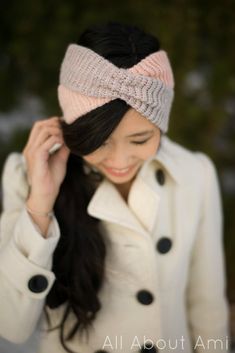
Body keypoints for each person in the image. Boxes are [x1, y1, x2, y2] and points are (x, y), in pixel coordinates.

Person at [0, 22, 230, 353]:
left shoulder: (195, 174)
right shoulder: (26, 177)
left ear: (161, 126)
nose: (119, 161)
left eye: (140, 139)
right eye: (100, 142)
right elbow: (11, 324)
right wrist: (40, 203)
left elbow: (207, 307)